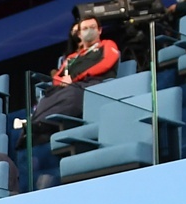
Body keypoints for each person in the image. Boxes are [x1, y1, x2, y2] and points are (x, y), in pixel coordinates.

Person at [26, 17, 120, 145]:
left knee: (72, 94)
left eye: (92, 27)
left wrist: (75, 77)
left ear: (99, 30)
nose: (89, 31)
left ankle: (42, 125)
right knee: (47, 97)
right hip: (70, 87)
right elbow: (56, 78)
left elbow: (106, 63)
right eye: (85, 28)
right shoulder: (72, 57)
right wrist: (63, 81)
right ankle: (34, 127)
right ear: (79, 34)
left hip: (94, 85)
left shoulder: (107, 44)